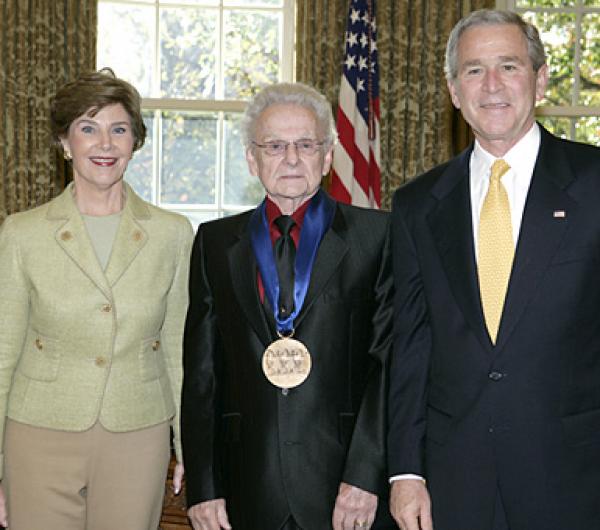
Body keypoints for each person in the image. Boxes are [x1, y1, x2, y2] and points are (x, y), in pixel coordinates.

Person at [387, 9, 600, 530]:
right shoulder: (418, 204)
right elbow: (410, 347)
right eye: (473, 70)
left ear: (541, 78)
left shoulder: (595, 183)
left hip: (575, 475)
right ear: (454, 90)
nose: (492, 85)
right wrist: (405, 473)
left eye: (508, 65)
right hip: (455, 479)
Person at [181, 82, 395, 530]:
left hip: (346, 490)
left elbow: (388, 366)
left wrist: (364, 476)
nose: (292, 158)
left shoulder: (377, 237)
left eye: (305, 144)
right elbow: (202, 374)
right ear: (251, 158)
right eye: (275, 146)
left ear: (329, 154)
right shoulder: (215, 243)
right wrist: (204, 487)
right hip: (246, 483)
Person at [0, 68, 193, 530]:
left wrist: (190, 448)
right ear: (65, 143)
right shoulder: (22, 233)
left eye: (118, 129)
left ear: (134, 142)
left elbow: (179, 353)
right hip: (38, 434)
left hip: (138, 435)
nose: (105, 144)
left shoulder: (173, 233)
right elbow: (3, 352)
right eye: (88, 128)